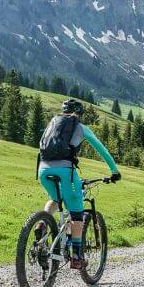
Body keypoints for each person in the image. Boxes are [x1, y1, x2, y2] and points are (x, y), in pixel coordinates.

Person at [37, 99, 120, 269]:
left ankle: (43, 223)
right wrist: (114, 171)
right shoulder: (81, 128)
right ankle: (76, 256)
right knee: (76, 213)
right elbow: (102, 150)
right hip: (66, 171)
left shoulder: (52, 124)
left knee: (55, 198)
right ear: (78, 114)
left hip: (43, 170)